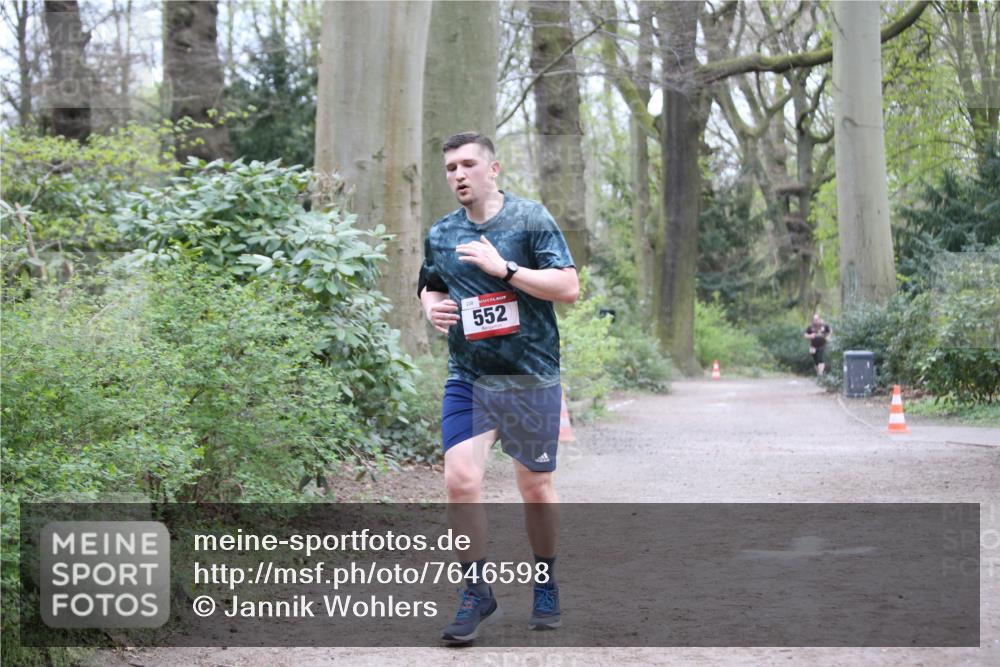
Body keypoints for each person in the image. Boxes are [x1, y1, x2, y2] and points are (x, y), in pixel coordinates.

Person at [417, 131, 579, 643]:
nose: (458, 175)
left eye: (467, 165)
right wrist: (429, 306)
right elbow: (430, 281)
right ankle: (475, 593)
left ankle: (545, 579)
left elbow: (568, 288)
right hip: (469, 377)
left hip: (530, 376)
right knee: (460, 481)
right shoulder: (441, 233)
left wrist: (504, 269)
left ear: (494, 169)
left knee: (534, 489)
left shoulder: (530, 219)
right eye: (450, 168)